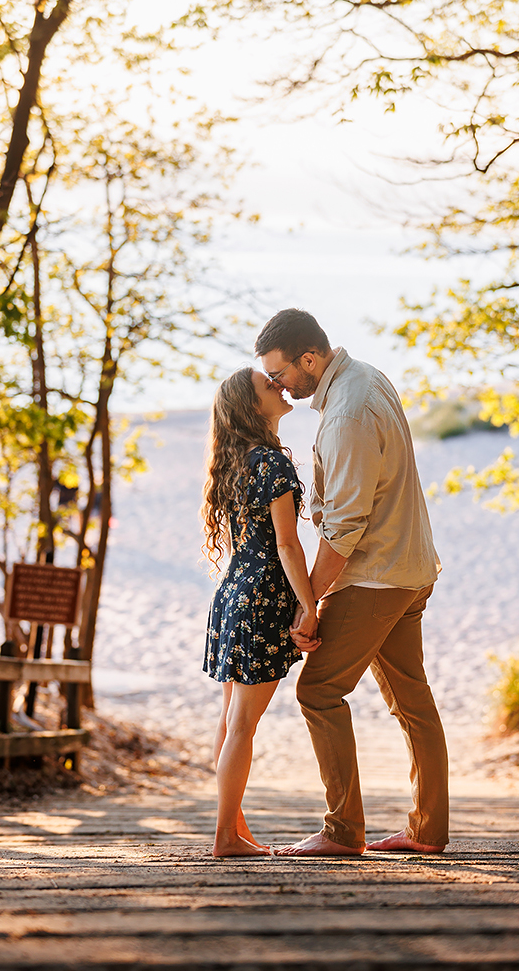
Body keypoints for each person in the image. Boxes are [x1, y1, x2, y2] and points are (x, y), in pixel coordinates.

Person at [254, 308, 449, 857]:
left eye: (281, 373)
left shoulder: (346, 415)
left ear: (309, 360)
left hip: (377, 578)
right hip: (410, 568)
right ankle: (428, 831)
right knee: (413, 700)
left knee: (318, 691)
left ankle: (343, 832)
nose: (278, 385)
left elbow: (343, 531)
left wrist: (308, 601)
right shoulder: (368, 376)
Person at [201, 366, 319, 857]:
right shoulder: (270, 462)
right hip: (262, 598)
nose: (278, 386)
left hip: (234, 593)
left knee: (231, 723)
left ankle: (237, 829)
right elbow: (289, 547)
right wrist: (310, 606)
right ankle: (226, 836)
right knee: (242, 727)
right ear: (251, 408)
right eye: (266, 386)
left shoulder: (234, 463)